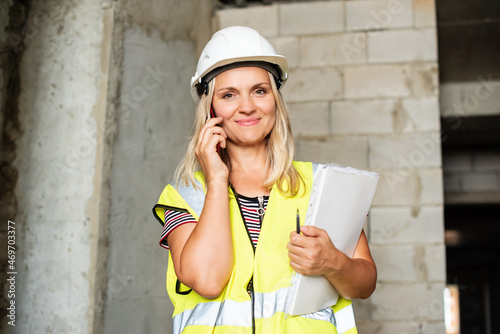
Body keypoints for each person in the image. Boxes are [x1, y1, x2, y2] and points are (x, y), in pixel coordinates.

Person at [152, 26, 376, 334]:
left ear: (275, 100)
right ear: (211, 110)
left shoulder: (320, 184)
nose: (246, 106)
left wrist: (332, 263)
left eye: (259, 90)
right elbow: (207, 280)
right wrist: (217, 180)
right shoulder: (186, 195)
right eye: (228, 95)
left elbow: (364, 283)